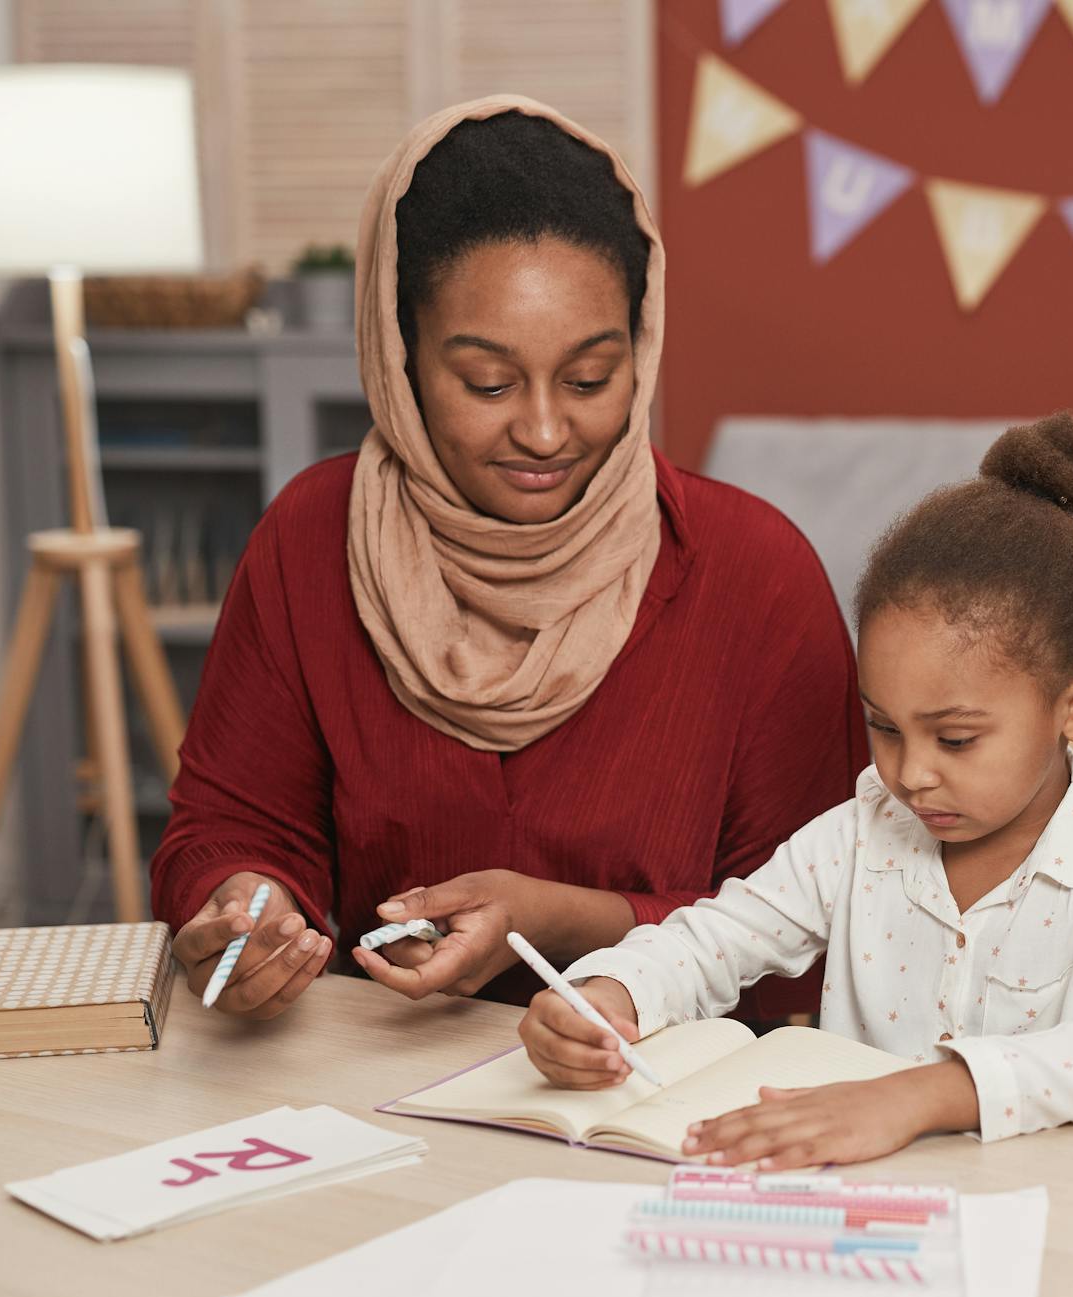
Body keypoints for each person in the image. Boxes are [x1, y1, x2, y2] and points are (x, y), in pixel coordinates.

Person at [152, 97, 862, 1020]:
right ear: (400, 354)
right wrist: (247, 902)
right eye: (487, 382)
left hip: (666, 1108)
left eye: (589, 379)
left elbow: (820, 936)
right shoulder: (311, 539)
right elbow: (232, 825)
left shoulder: (756, 576)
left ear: (639, 354)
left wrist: (565, 921)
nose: (541, 430)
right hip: (385, 1095)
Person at [521, 415, 1073, 1168]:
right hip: (847, 1205)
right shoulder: (858, 833)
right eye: (883, 726)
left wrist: (925, 1093)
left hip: (1044, 1214)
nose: (909, 773)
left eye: (955, 738)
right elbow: (712, 937)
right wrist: (610, 992)